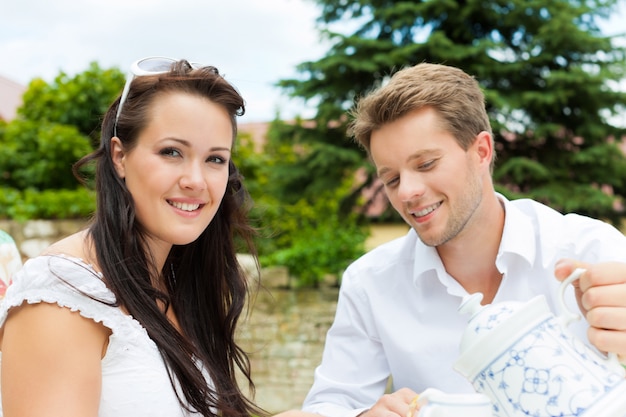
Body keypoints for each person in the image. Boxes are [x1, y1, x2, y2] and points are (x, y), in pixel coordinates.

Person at [300, 62, 626, 417]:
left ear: (482, 151)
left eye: (425, 164)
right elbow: (330, 404)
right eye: (391, 179)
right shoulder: (370, 282)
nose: (407, 192)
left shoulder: (589, 249)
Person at [0, 57, 266, 417]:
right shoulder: (62, 296)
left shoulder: (176, 282)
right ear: (119, 156)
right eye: (172, 152)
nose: (196, 180)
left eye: (215, 159)